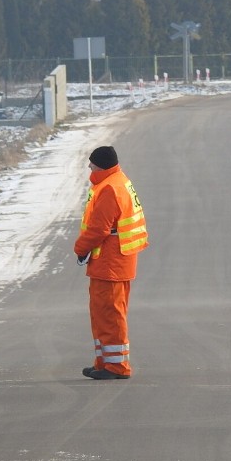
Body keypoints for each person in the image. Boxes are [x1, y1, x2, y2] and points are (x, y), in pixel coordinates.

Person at [74, 146, 148, 380]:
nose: (89, 167)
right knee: (104, 313)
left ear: (100, 165)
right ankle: (104, 363)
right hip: (114, 261)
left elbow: (99, 228)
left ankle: (116, 367)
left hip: (110, 262)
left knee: (110, 313)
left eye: (91, 163)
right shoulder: (118, 181)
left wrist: (80, 247)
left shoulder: (108, 188)